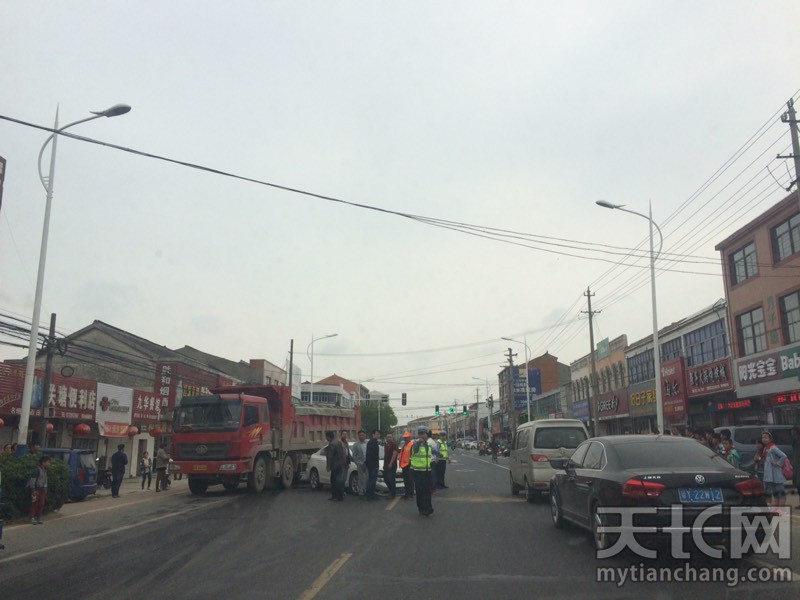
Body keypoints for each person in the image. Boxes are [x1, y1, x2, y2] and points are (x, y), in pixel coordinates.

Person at [410, 427, 434, 516]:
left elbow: (432, 453)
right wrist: (419, 442)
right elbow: (415, 450)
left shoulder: (428, 444)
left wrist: (438, 455)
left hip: (427, 471)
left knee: (427, 490)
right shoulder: (415, 443)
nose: (423, 436)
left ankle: (428, 508)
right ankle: (421, 508)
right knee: (420, 491)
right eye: (421, 434)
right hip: (417, 471)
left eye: (424, 434)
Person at [762, 431, 788, 508]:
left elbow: (784, 456)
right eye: (762, 437)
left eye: (765, 437)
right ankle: (777, 508)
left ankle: (781, 509)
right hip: (770, 474)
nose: (763, 439)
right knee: (775, 492)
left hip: (776, 473)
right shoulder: (766, 448)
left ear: (770, 439)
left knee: (780, 491)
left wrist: (777, 463)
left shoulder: (773, 448)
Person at [28, 455, 51, 525]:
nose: (49, 464)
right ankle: (32, 517)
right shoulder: (37, 470)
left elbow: (45, 480)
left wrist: (45, 488)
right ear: (43, 463)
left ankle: (39, 517)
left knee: (41, 504)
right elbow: (32, 480)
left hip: (42, 489)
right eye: (48, 462)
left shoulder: (45, 470)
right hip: (36, 489)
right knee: (34, 503)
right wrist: (33, 490)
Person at [325, 430, 347, 501]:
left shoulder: (332, 444)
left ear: (328, 436)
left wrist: (328, 466)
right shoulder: (338, 442)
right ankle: (338, 496)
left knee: (334, 481)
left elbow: (330, 456)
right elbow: (344, 453)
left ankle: (336, 496)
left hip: (335, 465)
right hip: (341, 464)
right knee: (339, 481)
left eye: (326, 436)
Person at [398, 431, 415, 499]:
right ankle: (407, 493)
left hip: (408, 465)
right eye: (404, 437)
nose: (405, 439)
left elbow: (412, 455)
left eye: (407, 437)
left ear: (410, 438)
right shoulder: (405, 445)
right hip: (404, 465)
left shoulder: (411, 445)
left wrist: (411, 464)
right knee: (406, 480)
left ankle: (410, 494)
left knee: (409, 480)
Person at [351, 430, 368, 498]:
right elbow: (354, 455)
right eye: (360, 435)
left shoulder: (367, 443)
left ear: (365, 435)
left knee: (367, 477)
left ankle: (366, 490)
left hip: (367, 463)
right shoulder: (356, 445)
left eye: (363, 435)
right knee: (360, 478)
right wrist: (357, 463)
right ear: (358, 436)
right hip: (360, 464)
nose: (362, 436)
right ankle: (361, 491)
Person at [365, 429, 380, 500]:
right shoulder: (372, 443)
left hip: (370, 464)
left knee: (370, 479)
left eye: (379, 434)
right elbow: (373, 456)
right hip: (373, 465)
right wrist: (376, 465)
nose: (378, 435)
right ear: (373, 434)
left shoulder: (372, 442)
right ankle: (371, 495)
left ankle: (369, 494)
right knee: (372, 480)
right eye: (377, 434)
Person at [382, 432, 398, 498]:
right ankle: (391, 490)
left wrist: (391, 463)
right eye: (388, 437)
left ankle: (393, 493)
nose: (389, 438)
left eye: (390, 437)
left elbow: (394, 454)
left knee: (391, 479)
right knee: (385, 478)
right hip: (386, 464)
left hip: (392, 464)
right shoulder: (386, 444)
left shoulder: (394, 445)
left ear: (392, 438)